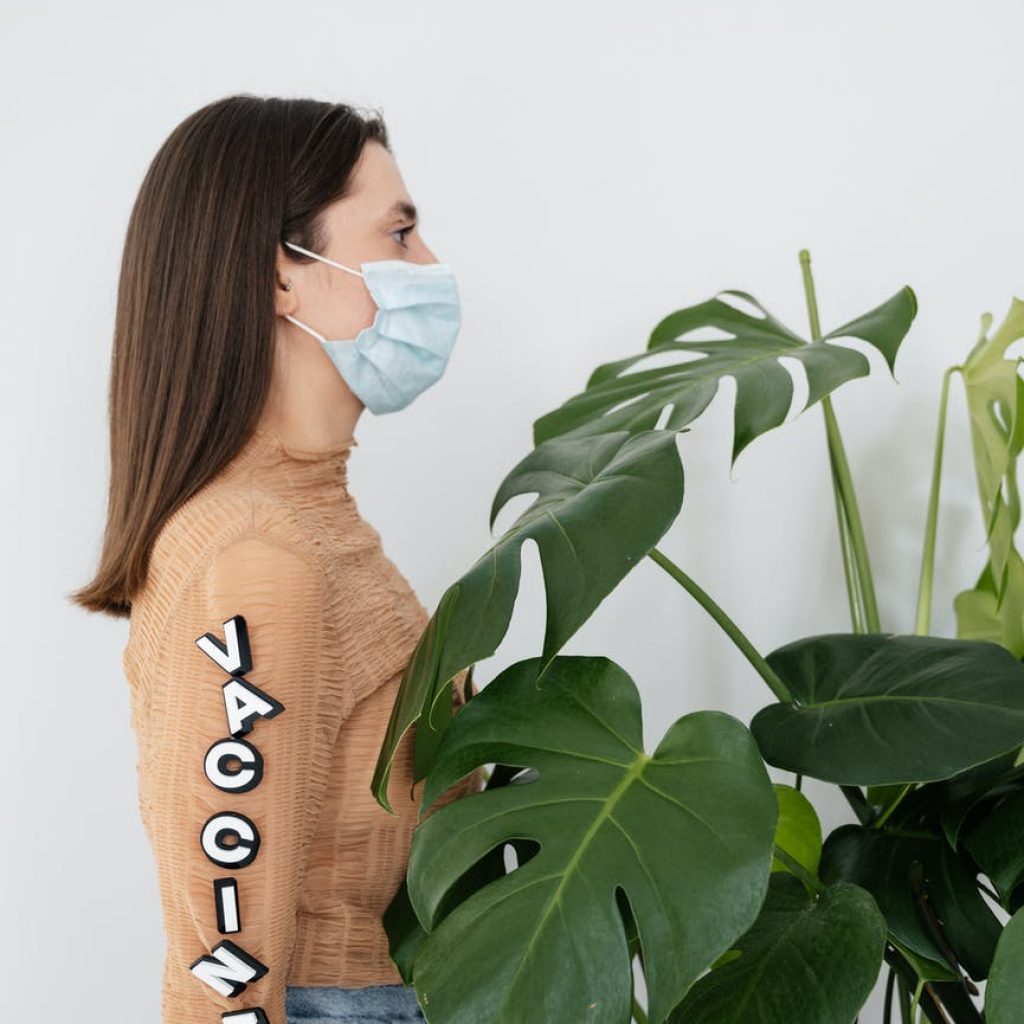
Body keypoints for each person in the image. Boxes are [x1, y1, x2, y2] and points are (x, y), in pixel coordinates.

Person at [71, 94, 484, 1024]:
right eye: (400, 232)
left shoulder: (308, 525)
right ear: (281, 277)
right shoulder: (260, 562)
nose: (430, 265)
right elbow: (225, 960)